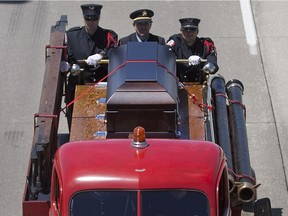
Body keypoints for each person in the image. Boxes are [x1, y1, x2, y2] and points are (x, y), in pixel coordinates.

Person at [61, 4, 118, 129]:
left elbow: (114, 52)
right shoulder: (72, 36)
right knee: (78, 125)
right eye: (88, 19)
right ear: (84, 18)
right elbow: (69, 57)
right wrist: (66, 66)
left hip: (101, 85)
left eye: (94, 19)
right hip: (79, 85)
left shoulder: (108, 35)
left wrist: (101, 56)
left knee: (100, 124)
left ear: (99, 18)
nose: (91, 22)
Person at [166, 18, 219, 83]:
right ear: (181, 31)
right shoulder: (175, 43)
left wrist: (207, 66)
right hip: (176, 83)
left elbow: (213, 64)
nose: (189, 33)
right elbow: (166, 58)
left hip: (199, 85)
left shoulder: (206, 45)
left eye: (193, 30)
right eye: (186, 30)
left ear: (197, 31)